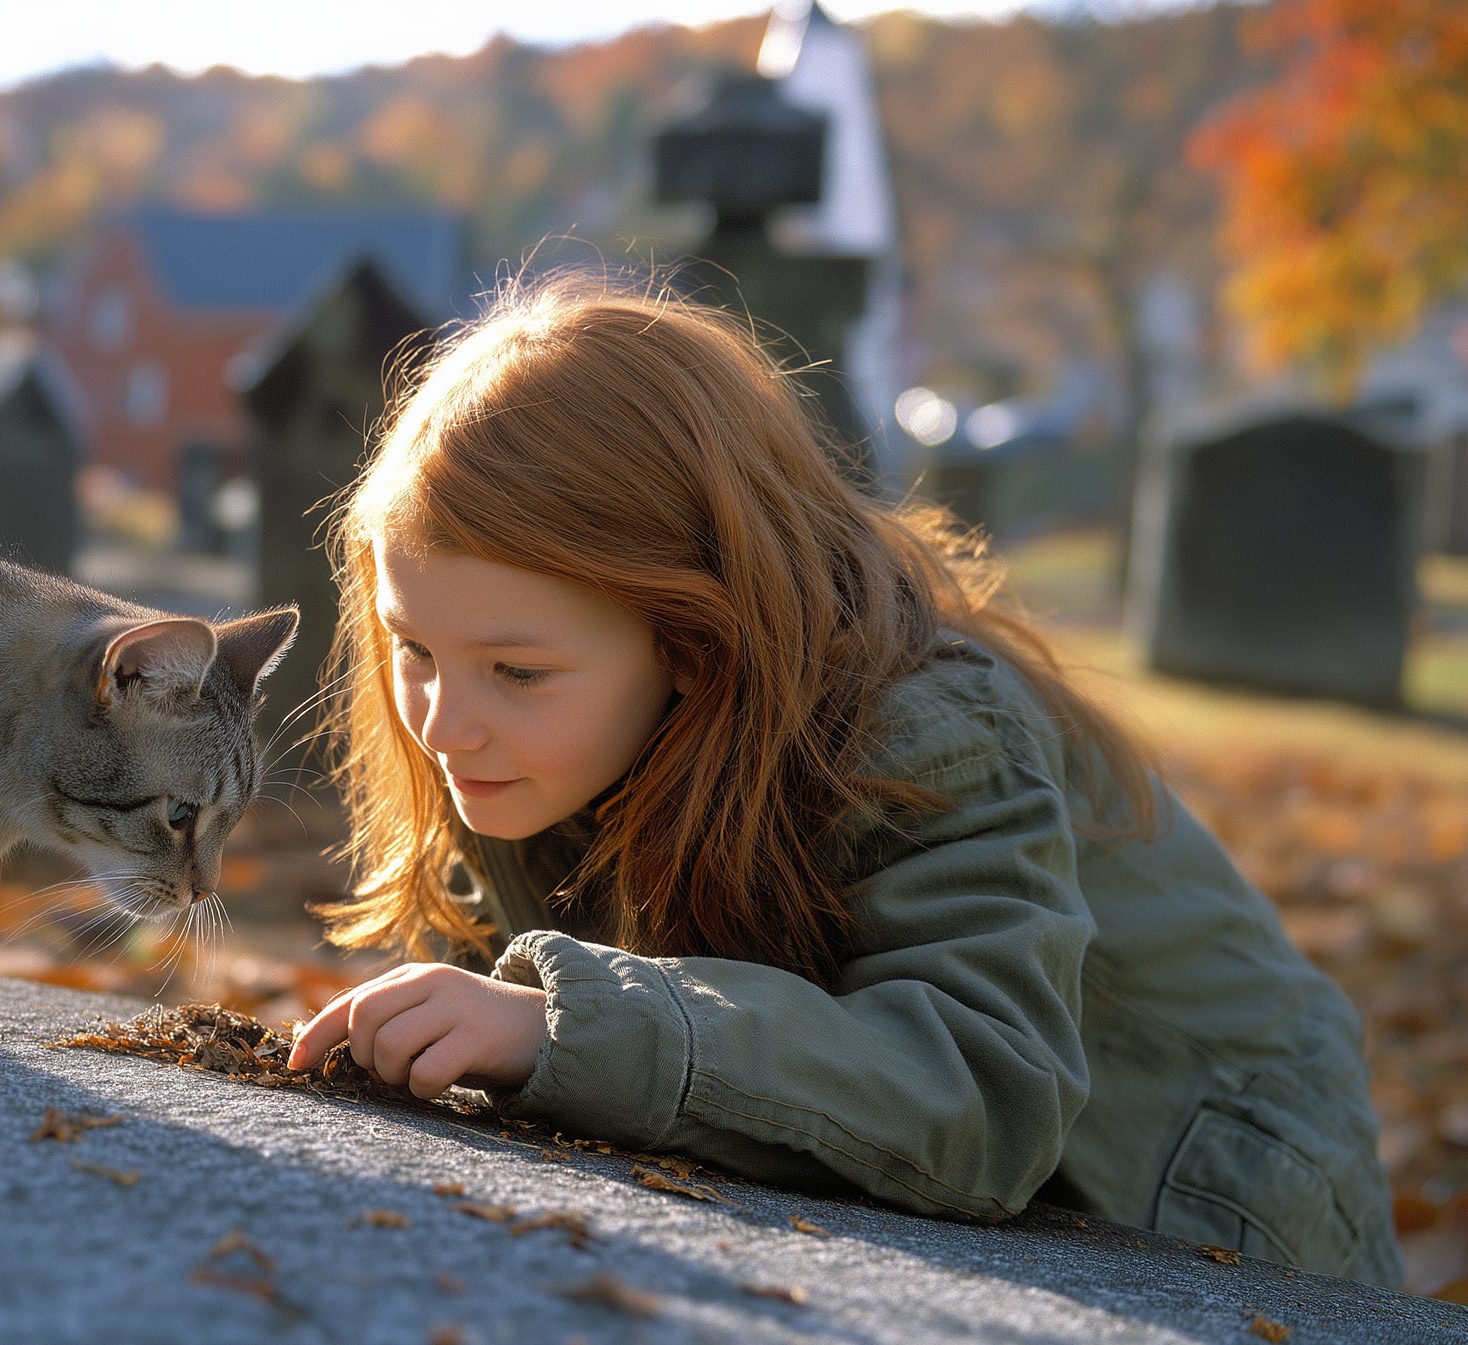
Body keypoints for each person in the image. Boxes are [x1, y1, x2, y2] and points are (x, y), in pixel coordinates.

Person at [284, 274, 1404, 1286]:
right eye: (413, 648)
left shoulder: (923, 731)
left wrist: (562, 1029)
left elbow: (978, 1091)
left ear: (691, 637)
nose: (440, 720)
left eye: (517, 670)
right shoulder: (532, 752)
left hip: (1211, 1211)